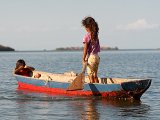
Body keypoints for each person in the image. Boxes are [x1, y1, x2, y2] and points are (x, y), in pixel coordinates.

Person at [81, 16, 100, 83]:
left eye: (85, 27)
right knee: (95, 75)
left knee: (90, 75)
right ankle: (99, 88)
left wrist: (83, 59)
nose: (85, 28)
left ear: (88, 27)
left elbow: (85, 49)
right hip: (97, 57)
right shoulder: (95, 35)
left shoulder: (87, 36)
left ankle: (94, 91)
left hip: (91, 58)